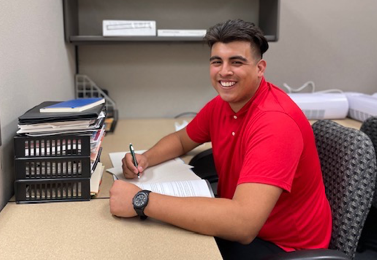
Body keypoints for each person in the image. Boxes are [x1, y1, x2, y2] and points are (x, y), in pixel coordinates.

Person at [109, 19, 332, 259]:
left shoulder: (275, 123)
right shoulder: (224, 105)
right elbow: (183, 140)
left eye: (236, 62)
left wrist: (140, 200)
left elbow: (243, 224)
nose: (224, 71)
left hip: (283, 247)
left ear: (260, 68)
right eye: (217, 62)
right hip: (248, 226)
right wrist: (144, 158)